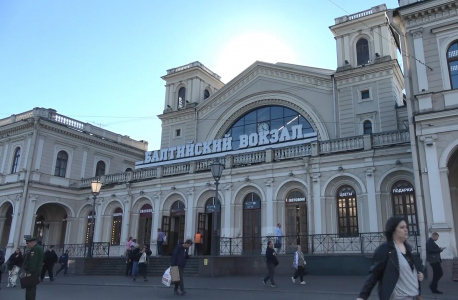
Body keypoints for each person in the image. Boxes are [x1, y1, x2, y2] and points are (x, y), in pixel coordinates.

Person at [357, 216, 424, 300]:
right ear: (393, 230)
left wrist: (418, 274)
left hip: (416, 296)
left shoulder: (409, 248)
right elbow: (374, 274)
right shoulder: (385, 249)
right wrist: (362, 296)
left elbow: (411, 268)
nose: (406, 230)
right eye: (402, 227)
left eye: (406, 227)